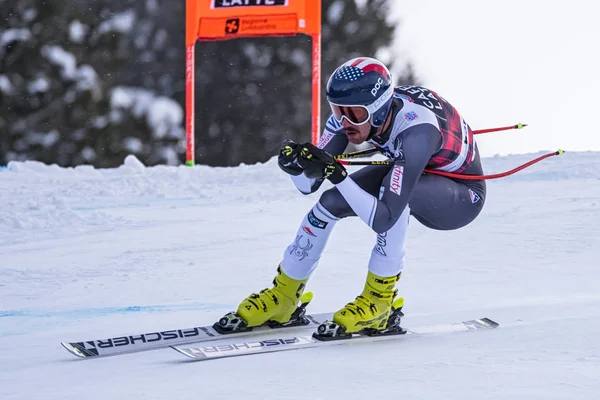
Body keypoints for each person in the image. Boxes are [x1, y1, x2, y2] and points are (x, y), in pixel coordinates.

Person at [223, 56, 487, 339]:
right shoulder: (353, 114)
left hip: (460, 195)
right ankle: (284, 295)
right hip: (415, 171)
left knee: (394, 198)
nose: (345, 121)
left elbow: (383, 218)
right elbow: (307, 186)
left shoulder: (416, 130)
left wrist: (338, 175)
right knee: (327, 204)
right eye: (337, 111)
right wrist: (295, 165)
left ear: (377, 110)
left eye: (355, 115)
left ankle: (379, 300)